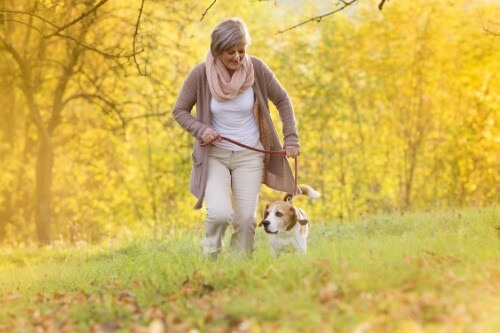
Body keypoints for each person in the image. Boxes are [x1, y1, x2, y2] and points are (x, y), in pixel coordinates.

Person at [172, 17, 300, 257]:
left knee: (245, 221)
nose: (238, 57)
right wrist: (201, 129)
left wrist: (291, 139)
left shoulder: (257, 69)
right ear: (217, 50)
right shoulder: (201, 74)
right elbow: (179, 111)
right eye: (231, 52)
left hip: (250, 154)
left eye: (242, 51)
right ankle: (210, 259)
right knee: (219, 214)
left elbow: (282, 100)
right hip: (215, 156)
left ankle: (240, 269)